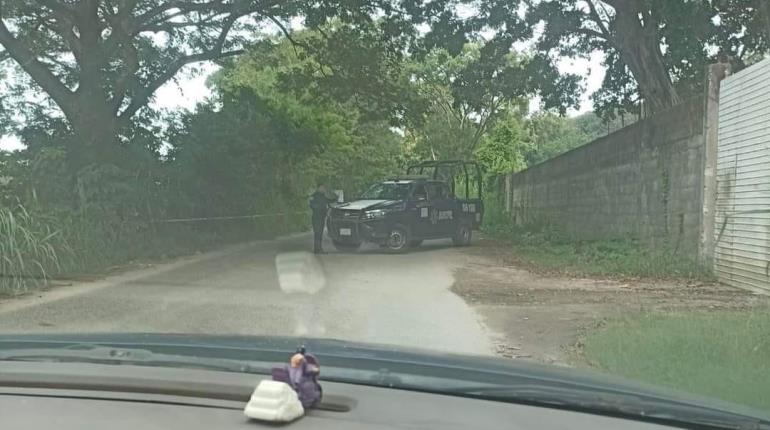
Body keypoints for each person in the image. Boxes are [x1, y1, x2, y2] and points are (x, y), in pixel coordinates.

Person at [309, 183, 336, 254]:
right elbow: (312, 205)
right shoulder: (314, 196)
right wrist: (320, 209)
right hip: (316, 217)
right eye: (322, 188)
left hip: (322, 217)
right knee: (317, 233)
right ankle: (317, 249)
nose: (324, 189)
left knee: (320, 234)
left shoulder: (323, 196)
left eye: (324, 188)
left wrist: (335, 198)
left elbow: (329, 201)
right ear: (318, 188)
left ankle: (319, 249)